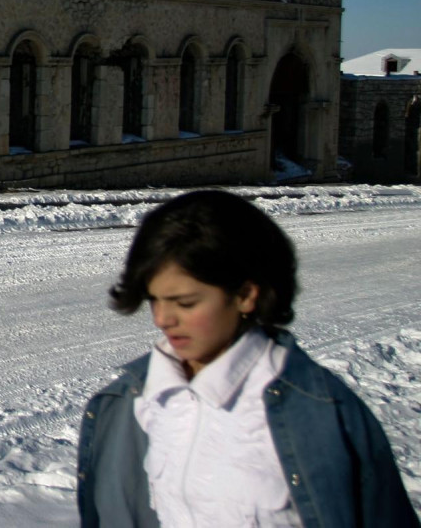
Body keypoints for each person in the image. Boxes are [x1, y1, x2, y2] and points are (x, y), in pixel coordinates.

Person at [76, 189, 418, 527]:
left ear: (245, 295)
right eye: (154, 300)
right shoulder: (127, 404)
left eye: (185, 303)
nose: (162, 319)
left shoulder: (324, 412)